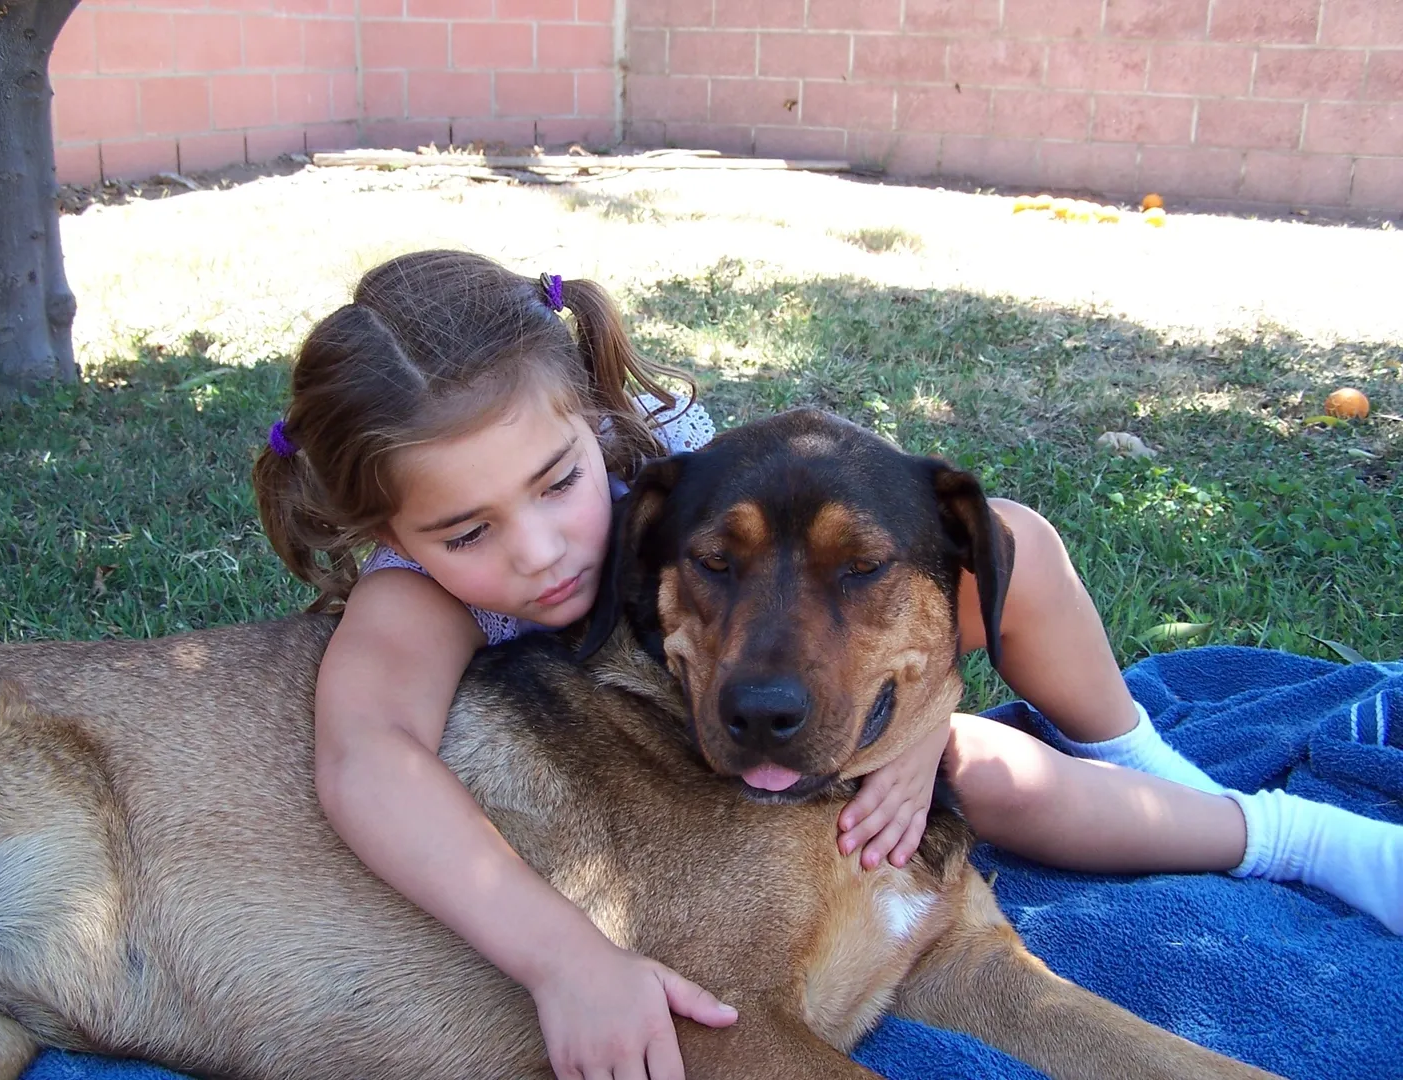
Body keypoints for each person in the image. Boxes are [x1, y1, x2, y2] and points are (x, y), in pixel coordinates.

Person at [253, 249, 1400, 1080]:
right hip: (650, 751)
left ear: (598, 433)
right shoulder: (416, 607)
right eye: (466, 534)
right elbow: (369, 757)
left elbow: (841, 553)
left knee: (987, 746)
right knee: (972, 761)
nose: (541, 550)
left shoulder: (670, 476)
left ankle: (1191, 782)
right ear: (394, 538)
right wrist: (565, 961)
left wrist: (916, 726)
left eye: (558, 486)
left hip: (867, 719)